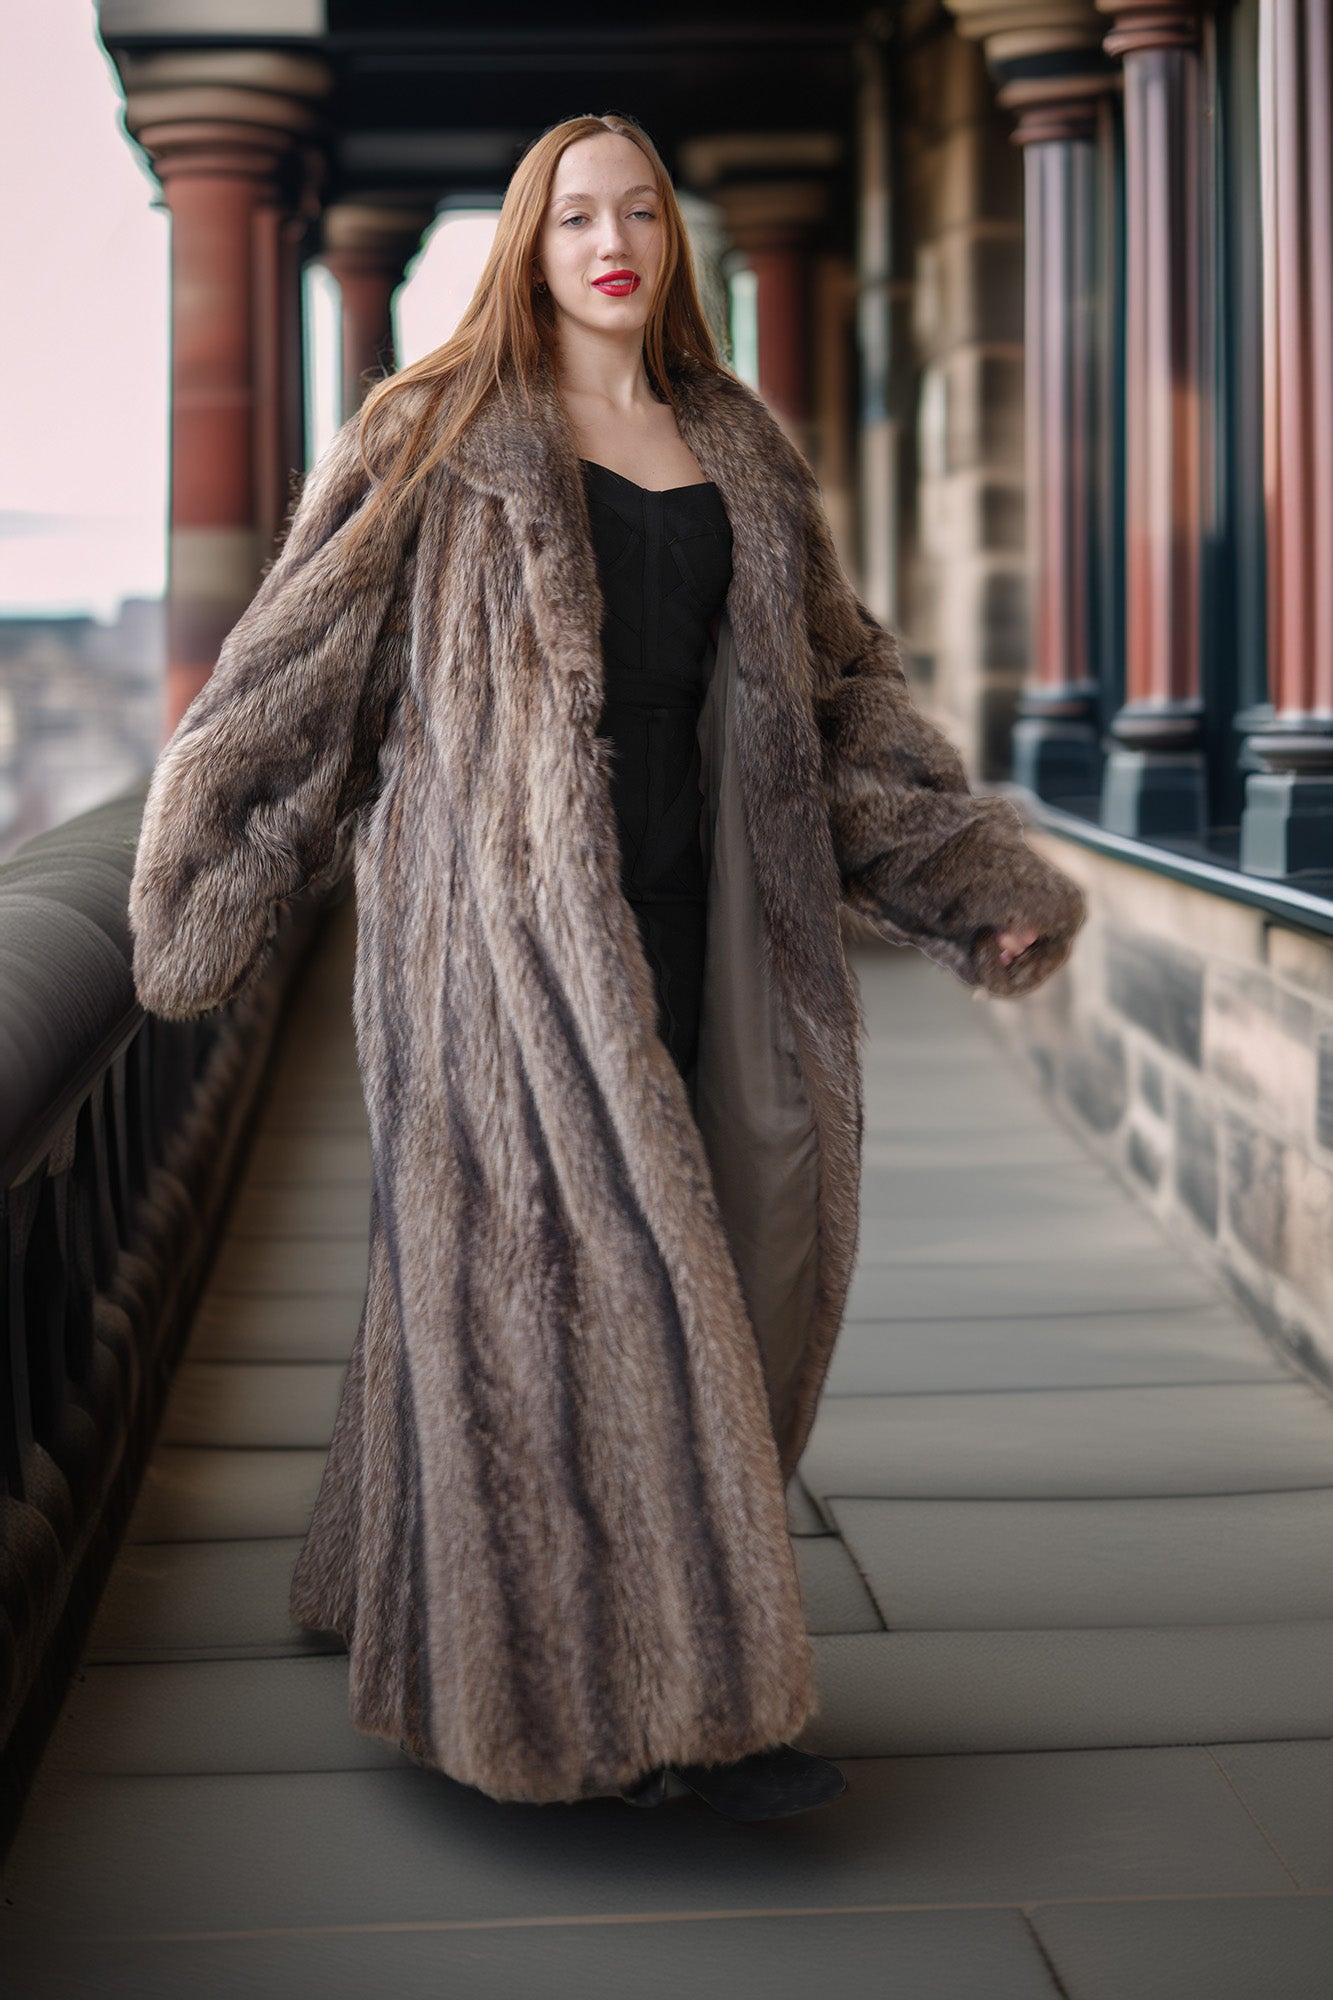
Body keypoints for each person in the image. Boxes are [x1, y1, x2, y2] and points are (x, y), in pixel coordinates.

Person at [127, 111, 1086, 1822]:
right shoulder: (432, 434)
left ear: (673, 242)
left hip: (712, 911)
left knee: (730, 1254)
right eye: (576, 215)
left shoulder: (735, 443)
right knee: (573, 1297)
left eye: (639, 209)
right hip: (500, 936)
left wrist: (959, 877)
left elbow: (839, 694)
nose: (611, 240)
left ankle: (411, 1580)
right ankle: (643, 1720)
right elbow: (294, 668)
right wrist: (211, 873)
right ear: (528, 242)